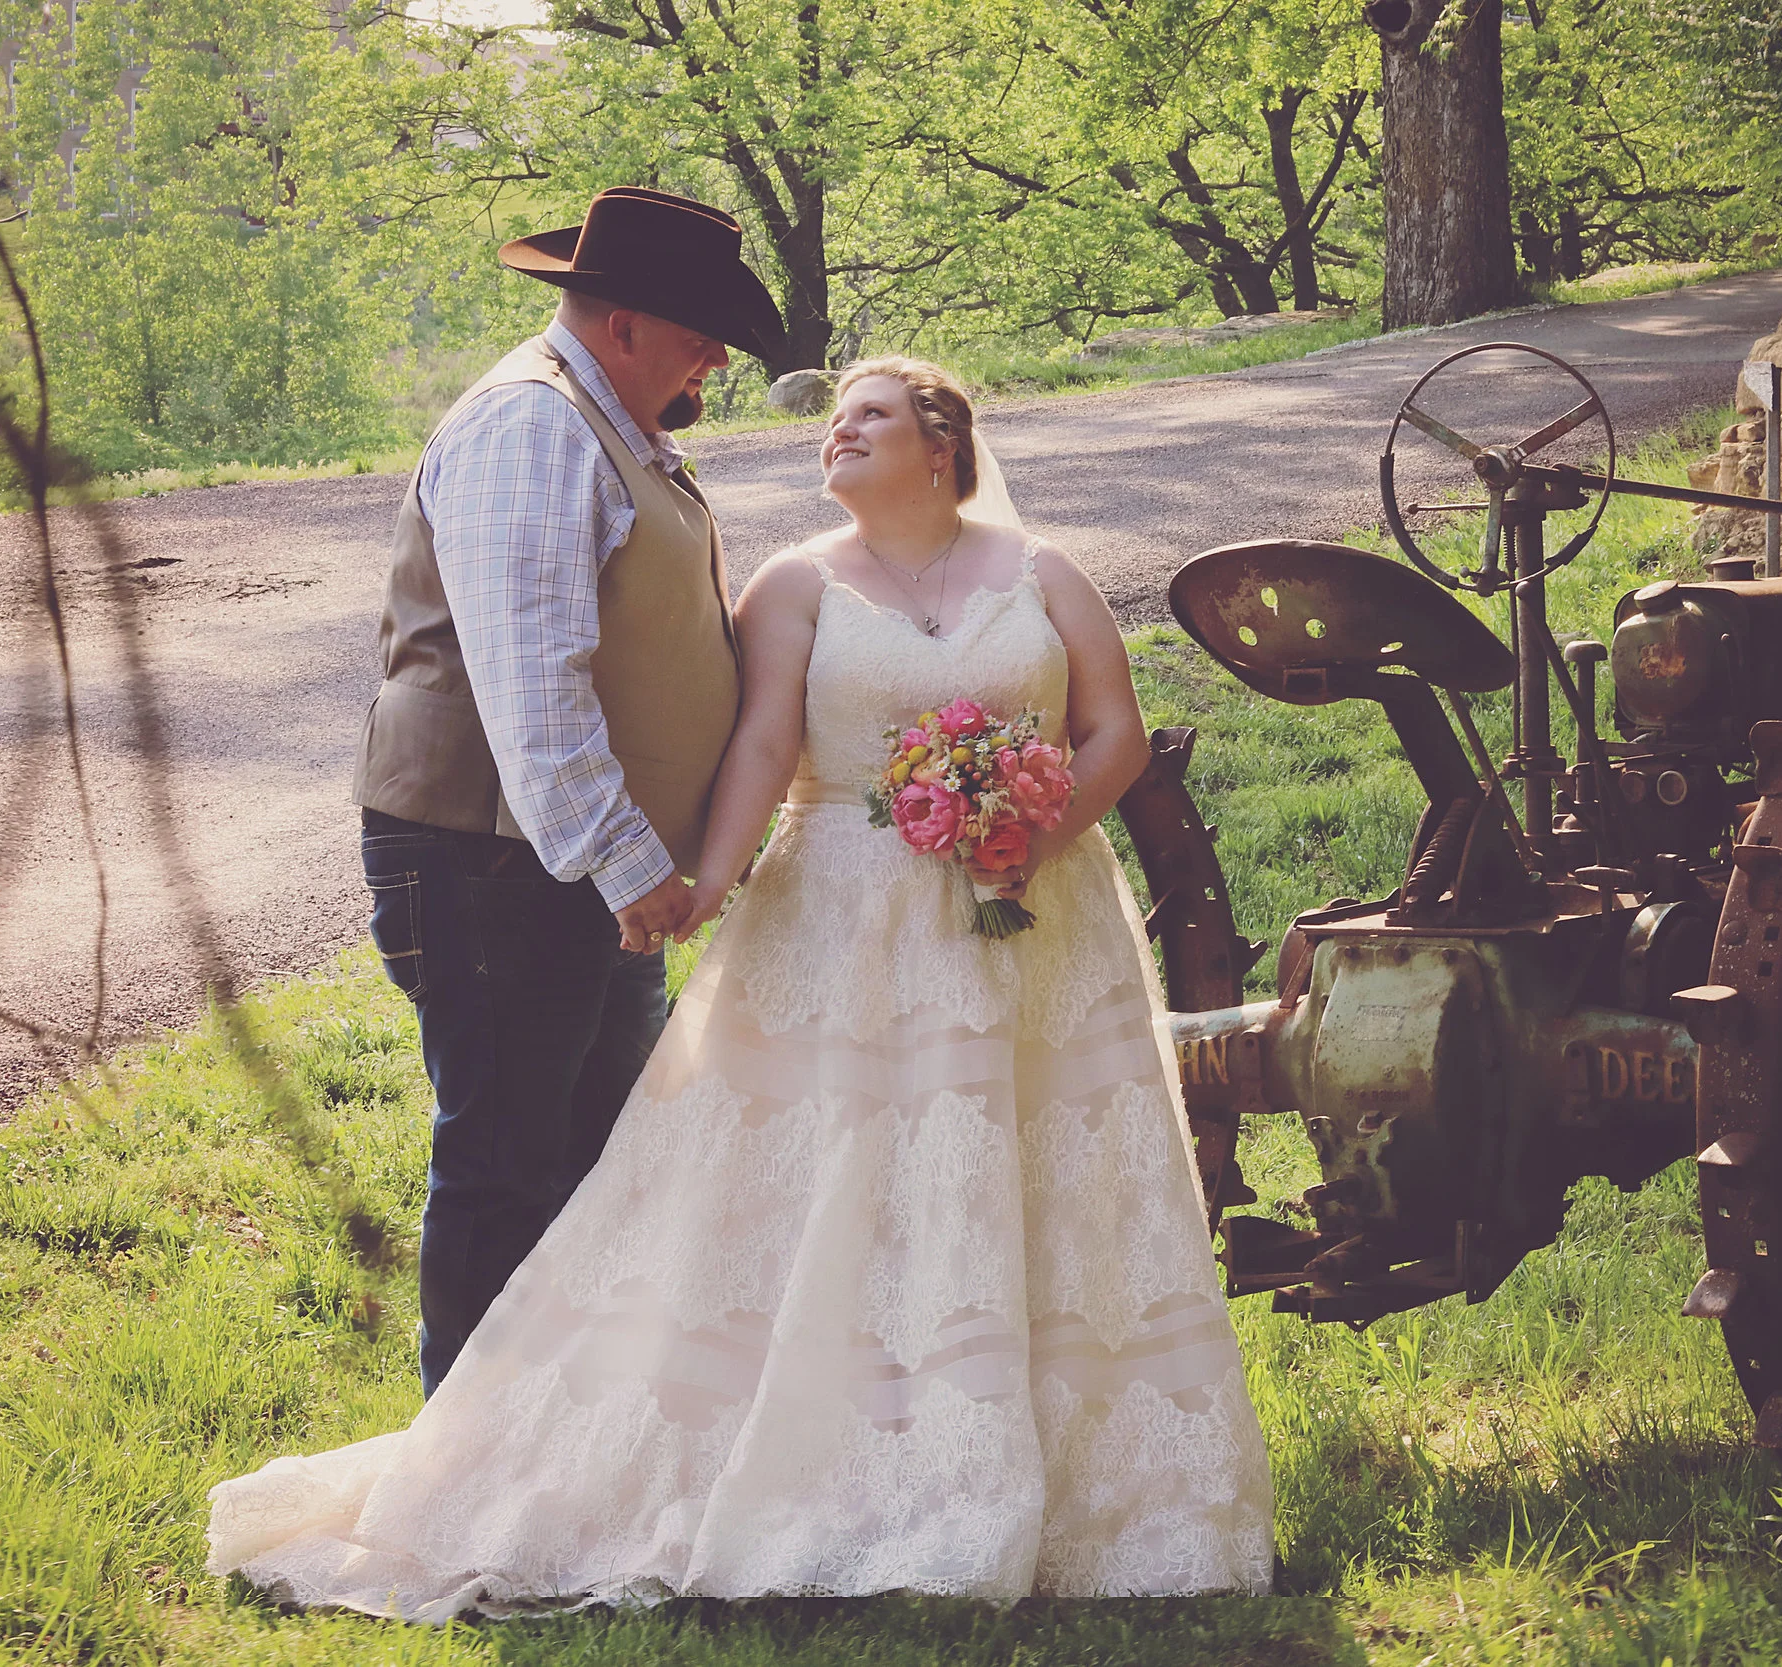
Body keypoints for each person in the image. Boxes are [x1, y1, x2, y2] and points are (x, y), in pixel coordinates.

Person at [209, 358, 1274, 1612]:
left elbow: (1116, 734)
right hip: (837, 913)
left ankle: (1068, 1466)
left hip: (1038, 919)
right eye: (833, 422)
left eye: (868, 416)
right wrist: (699, 889)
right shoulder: (796, 583)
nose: (839, 432)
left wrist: (1034, 831)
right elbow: (764, 743)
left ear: (941, 444)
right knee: (833, 1173)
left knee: (1025, 1164)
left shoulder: (1044, 576)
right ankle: (815, 1446)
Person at [348, 187, 785, 1396]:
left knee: (601, 1156)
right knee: (506, 1162)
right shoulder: (532, 428)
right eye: (700, 332)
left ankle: (561, 1448)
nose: (713, 359)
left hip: (569, 868)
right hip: (497, 862)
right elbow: (531, 684)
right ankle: (467, 1478)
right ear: (626, 324)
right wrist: (627, 860)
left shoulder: (610, 423)